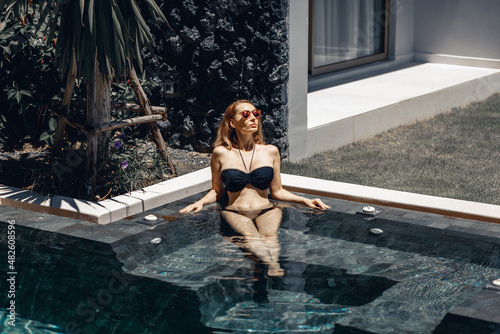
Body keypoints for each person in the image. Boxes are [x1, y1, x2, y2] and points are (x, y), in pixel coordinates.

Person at [180, 99, 330, 277]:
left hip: (266, 209)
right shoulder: (221, 153)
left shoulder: (270, 152)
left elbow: (277, 191)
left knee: (269, 237)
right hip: (235, 210)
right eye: (245, 114)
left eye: (255, 113)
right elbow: (218, 191)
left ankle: (271, 266)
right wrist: (201, 202)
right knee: (251, 236)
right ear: (232, 122)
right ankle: (268, 266)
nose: (253, 118)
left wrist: (305, 200)